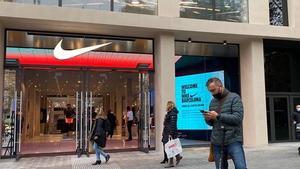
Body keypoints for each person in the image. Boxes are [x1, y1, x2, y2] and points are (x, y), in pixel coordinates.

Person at [204, 77, 247, 169]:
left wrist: (218, 116)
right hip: (217, 141)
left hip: (233, 139)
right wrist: (208, 118)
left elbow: (238, 118)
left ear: (220, 86)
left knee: (241, 167)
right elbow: (213, 124)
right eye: (210, 91)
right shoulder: (212, 102)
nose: (212, 93)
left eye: (213, 90)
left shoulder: (234, 97)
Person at [161, 101, 183, 168]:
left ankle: (171, 162)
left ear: (169, 105)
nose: (166, 106)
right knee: (170, 146)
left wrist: (170, 133)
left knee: (169, 147)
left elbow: (173, 124)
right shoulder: (170, 113)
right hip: (167, 132)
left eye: (167, 105)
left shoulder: (173, 113)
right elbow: (166, 123)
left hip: (170, 133)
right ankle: (178, 156)